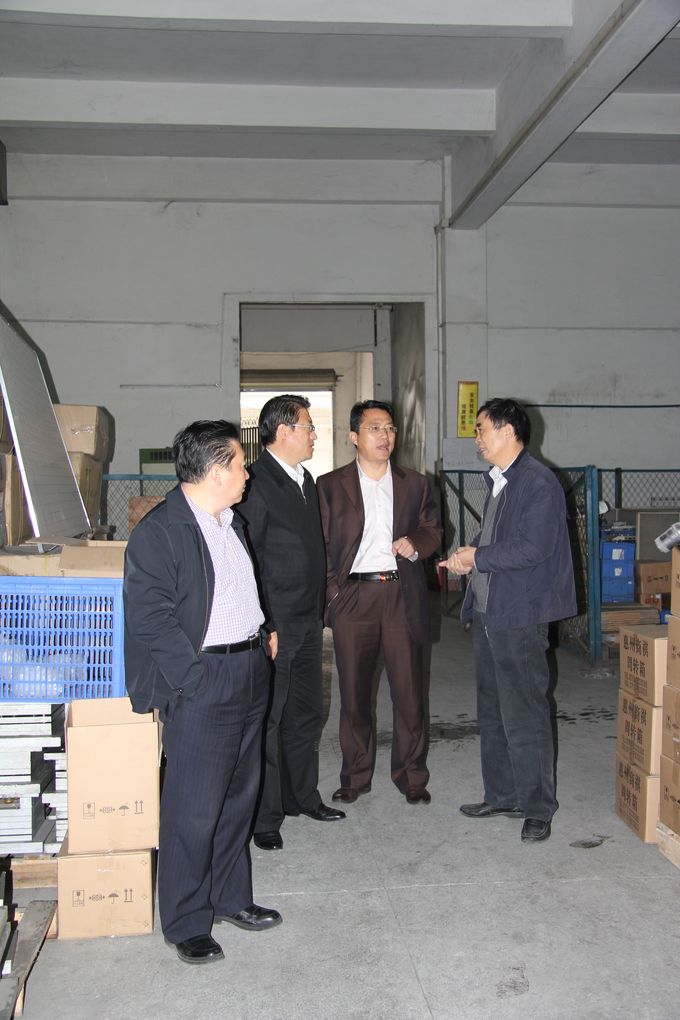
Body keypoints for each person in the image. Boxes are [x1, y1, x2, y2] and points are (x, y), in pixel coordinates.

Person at [124, 420, 282, 966]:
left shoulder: (230, 523)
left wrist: (262, 631)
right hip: (205, 679)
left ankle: (230, 897)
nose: (247, 473)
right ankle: (187, 921)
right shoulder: (161, 531)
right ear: (216, 472)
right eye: (240, 464)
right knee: (192, 808)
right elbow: (151, 619)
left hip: (249, 669)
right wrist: (193, 680)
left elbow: (237, 591)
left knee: (239, 796)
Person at [439, 398, 576, 843]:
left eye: (481, 429)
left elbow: (533, 547)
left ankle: (537, 807)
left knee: (525, 712)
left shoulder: (537, 482)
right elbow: (497, 538)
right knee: (494, 709)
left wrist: (478, 557)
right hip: (490, 611)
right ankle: (502, 795)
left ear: (508, 431)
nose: (476, 438)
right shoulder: (501, 481)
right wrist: (467, 555)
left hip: (520, 614)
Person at [316, 400, 441, 805]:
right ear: (354, 437)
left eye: (389, 428)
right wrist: (334, 594)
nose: (384, 436)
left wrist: (415, 544)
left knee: (409, 693)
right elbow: (320, 545)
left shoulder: (415, 484)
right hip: (353, 597)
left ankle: (411, 775)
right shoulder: (329, 485)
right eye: (374, 428)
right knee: (354, 695)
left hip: (400, 594)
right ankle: (354, 776)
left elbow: (433, 529)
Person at [237, 395, 345, 852]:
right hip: (277, 626)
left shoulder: (306, 482)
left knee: (306, 714)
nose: (314, 434)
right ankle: (266, 816)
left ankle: (302, 797)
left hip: (308, 621)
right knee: (271, 720)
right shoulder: (255, 484)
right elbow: (250, 560)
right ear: (283, 431)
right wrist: (267, 626)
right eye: (308, 426)